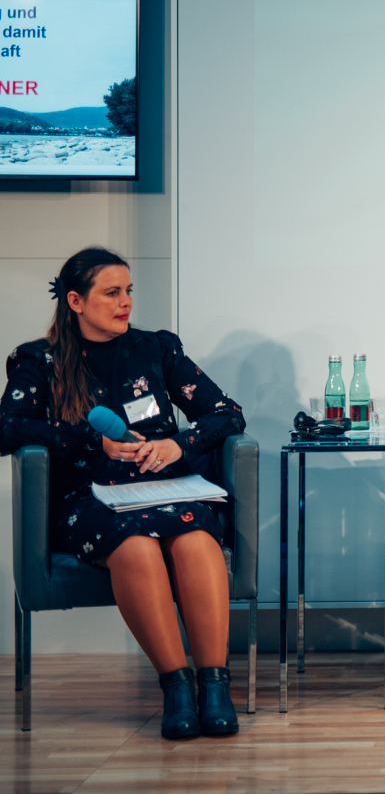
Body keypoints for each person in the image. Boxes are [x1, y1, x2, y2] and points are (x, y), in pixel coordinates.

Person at [1, 247, 247, 740]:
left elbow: (227, 413)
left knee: (198, 539)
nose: (125, 302)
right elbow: (8, 429)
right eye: (112, 293)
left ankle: (214, 686)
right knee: (134, 548)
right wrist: (89, 440)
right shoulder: (39, 360)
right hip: (89, 497)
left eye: (128, 291)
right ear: (76, 300)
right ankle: (176, 689)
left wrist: (177, 444)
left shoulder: (157, 348)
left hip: (164, 487)